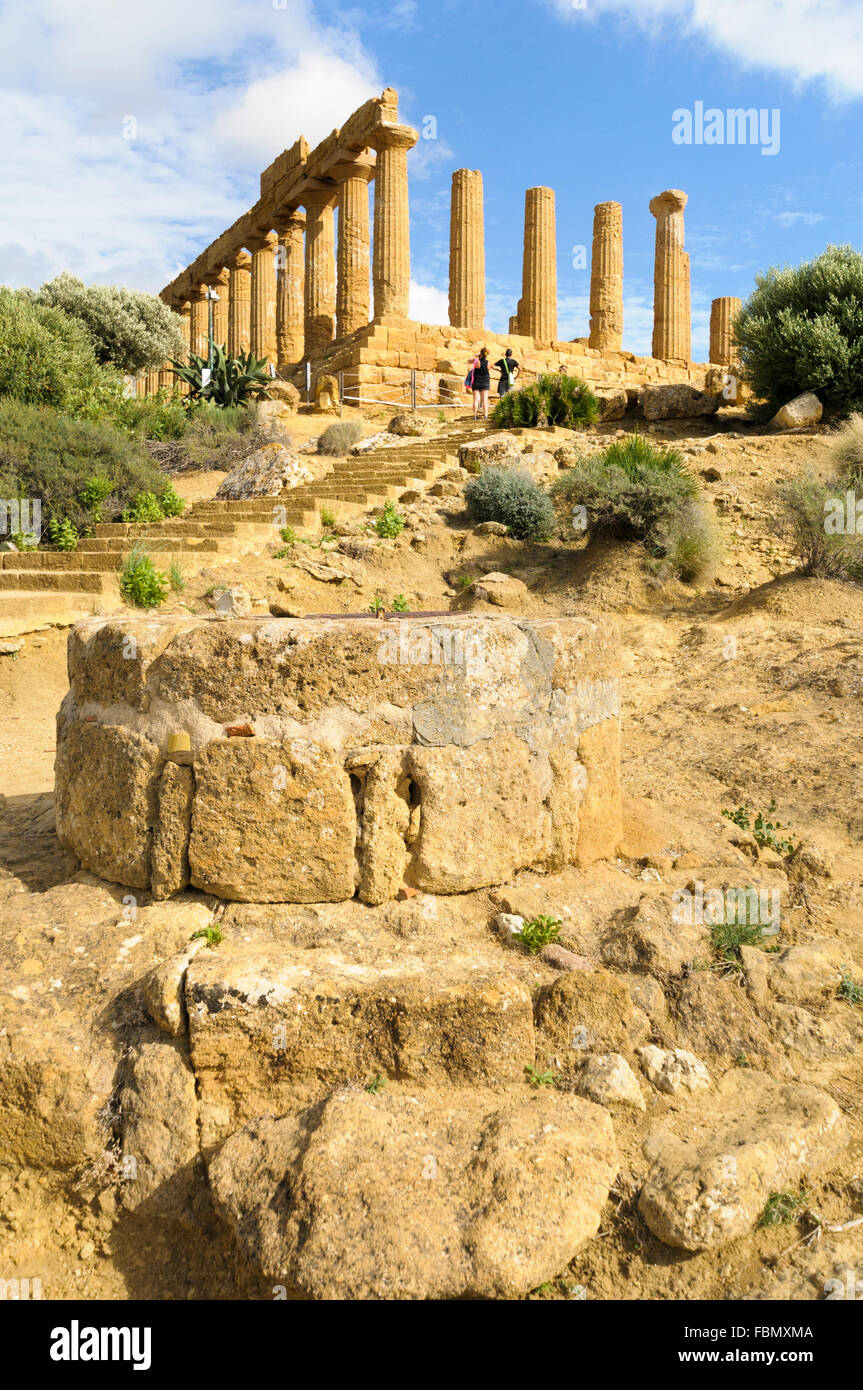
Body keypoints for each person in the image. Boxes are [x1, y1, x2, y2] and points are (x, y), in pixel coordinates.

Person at [468, 347, 491, 419]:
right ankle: (486, 416)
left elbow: (468, 361)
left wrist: (476, 356)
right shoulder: (488, 363)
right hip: (485, 382)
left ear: (481, 353)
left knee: (475, 400)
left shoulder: (476, 361)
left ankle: (475, 416)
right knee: (485, 400)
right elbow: (488, 368)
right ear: (486, 354)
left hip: (476, 382)